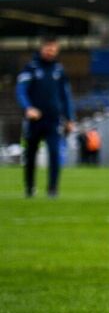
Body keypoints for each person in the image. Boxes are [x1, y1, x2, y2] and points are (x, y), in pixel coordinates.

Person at [15, 35, 75, 197]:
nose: (51, 51)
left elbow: (66, 95)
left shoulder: (59, 70)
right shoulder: (31, 68)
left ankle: (53, 189)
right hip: (34, 120)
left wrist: (70, 118)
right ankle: (30, 188)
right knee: (31, 154)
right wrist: (28, 108)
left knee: (55, 153)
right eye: (48, 48)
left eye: (54, 49)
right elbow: (21, 91)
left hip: (53, 119)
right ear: (42, 48)